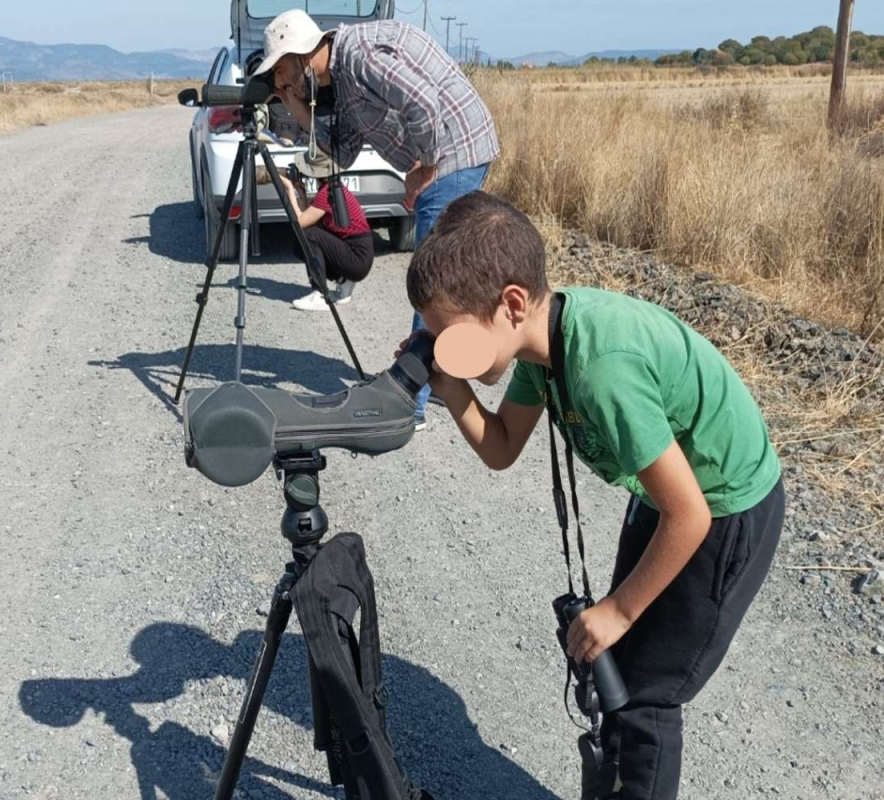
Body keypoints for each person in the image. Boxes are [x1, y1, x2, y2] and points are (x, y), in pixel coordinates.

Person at [399, 192, 784, 800]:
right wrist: (451, 389)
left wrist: (620, 609)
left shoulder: (602, 368)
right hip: (670, 498)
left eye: (450, 336)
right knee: (619, 671)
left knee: (648, 695)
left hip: (724, 504)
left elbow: (692, 515)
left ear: (512, 303)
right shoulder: (537, 344)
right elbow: (501, 448)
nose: (444, 350)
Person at [256, 9, 499, 428]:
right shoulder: (342, 78)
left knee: (433, 277)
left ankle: (412, 403)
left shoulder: (360, 55)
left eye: (282, 72)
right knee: (451, 275)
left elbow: (423, 101)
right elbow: (343, 151)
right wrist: (291, 101)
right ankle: (447, 377)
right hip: (451, 153)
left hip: (453, 153)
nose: (280, 82)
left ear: (303, 52)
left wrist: (424, 165)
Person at [280, 149, 374, 311]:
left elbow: (301, 223)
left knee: (309, 237)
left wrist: (289, 189)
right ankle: (344, 280)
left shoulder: (327, 193)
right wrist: (301, 194)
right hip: (359, 254)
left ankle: (319, 294)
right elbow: (309, 220)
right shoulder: (331, 188)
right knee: (301, 243)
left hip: (357, 256)